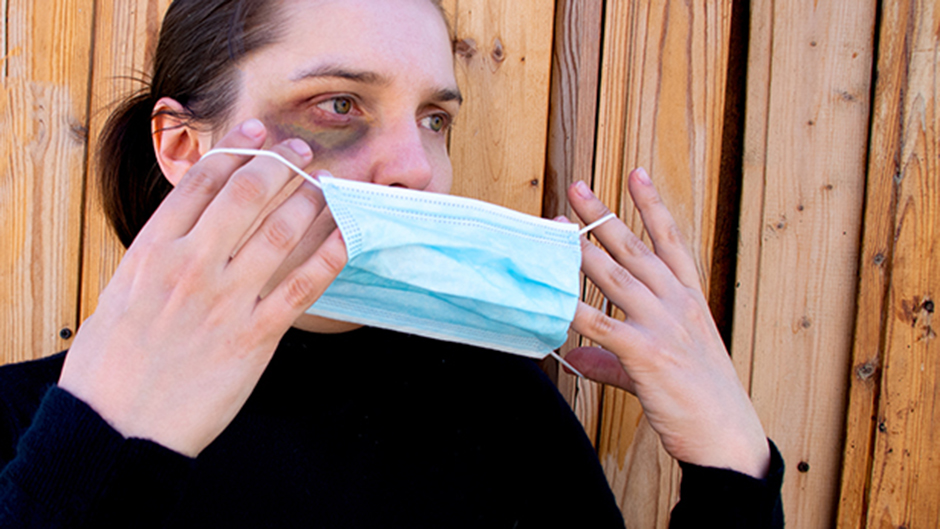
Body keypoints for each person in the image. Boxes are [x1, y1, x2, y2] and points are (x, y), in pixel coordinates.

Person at [0, 0, 784, 526]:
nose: (417, 168)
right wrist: (102, 451)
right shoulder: (20, 424)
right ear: (182, 146)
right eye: (340, 104)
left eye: (434, 118)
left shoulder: (503, 417)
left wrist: (731, 466)